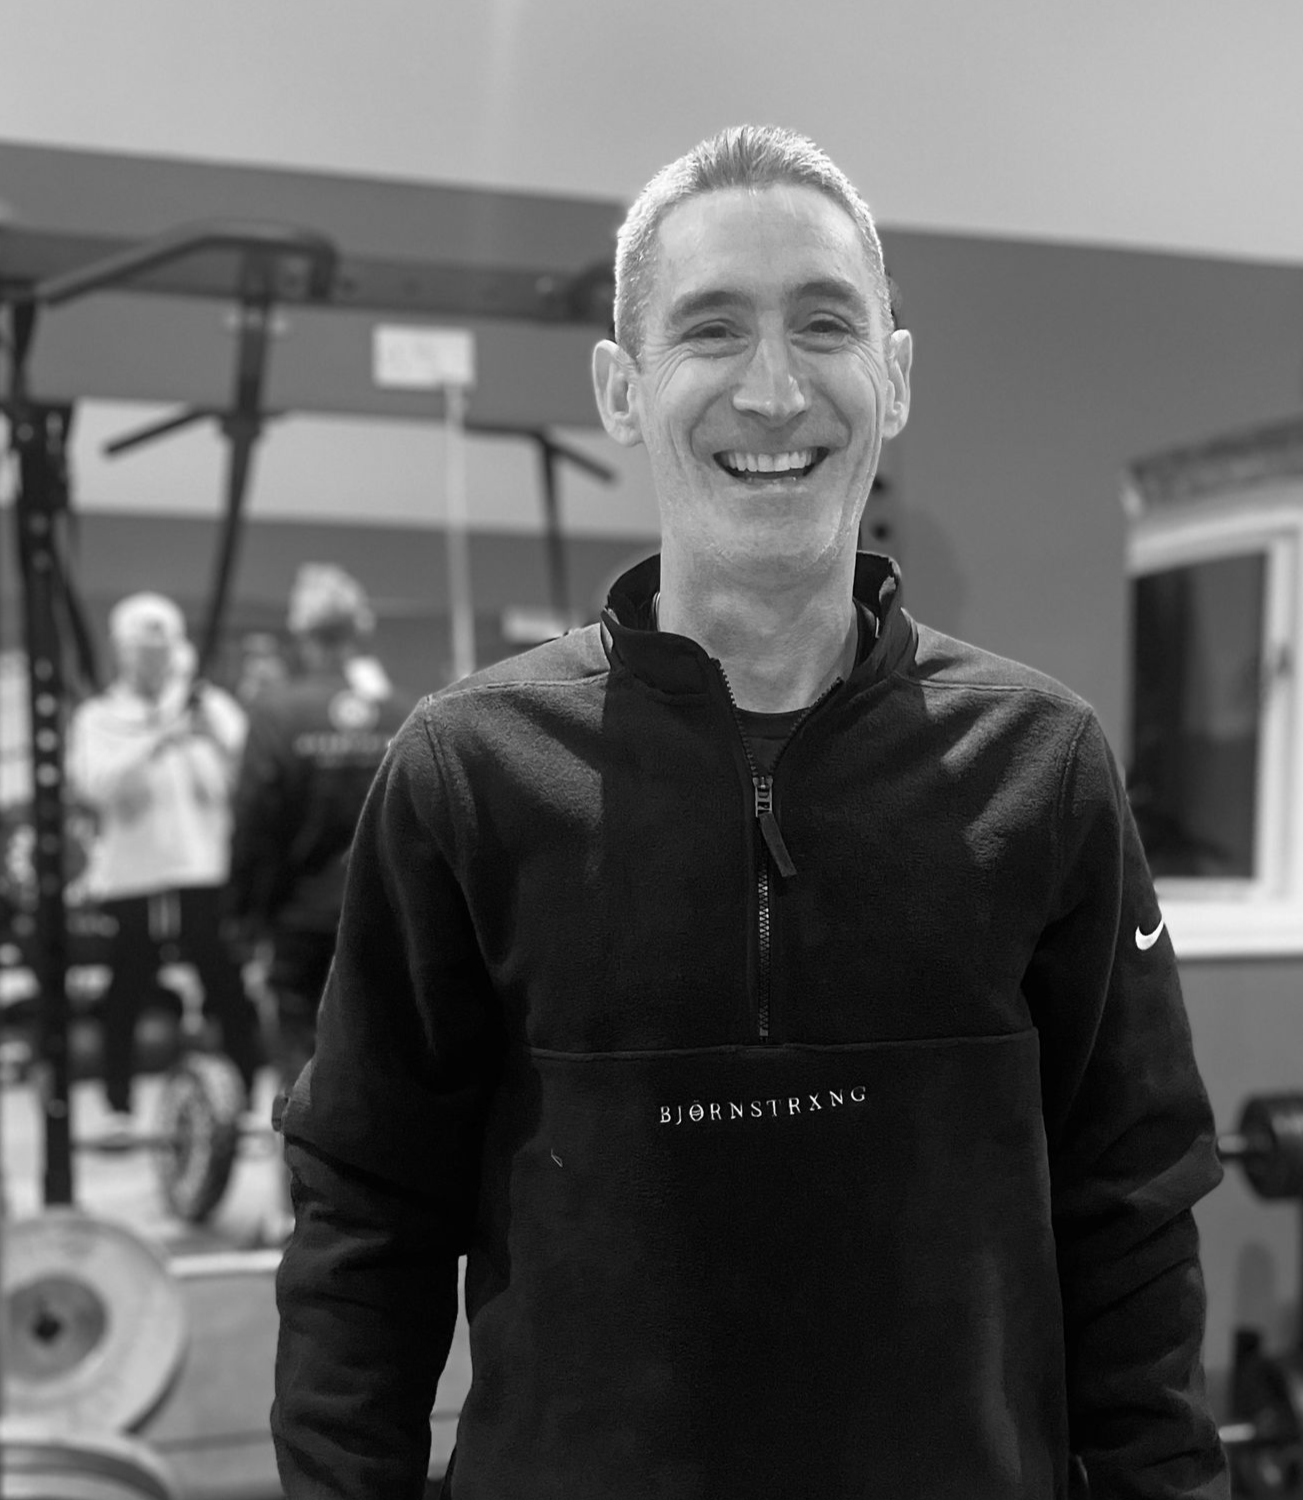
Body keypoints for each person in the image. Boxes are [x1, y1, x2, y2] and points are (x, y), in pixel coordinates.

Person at [272, 125, 1229, 1499]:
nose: (774, 389)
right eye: (712, 331)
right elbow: (368, 1232)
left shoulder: (1046, 766)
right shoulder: (466, 775)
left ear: (892, 377)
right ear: (620, 388)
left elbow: (1132, 1219)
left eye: (824, 325)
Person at [68, 592, 262, 1132]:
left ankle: (247, 1098)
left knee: (223, 980)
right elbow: (94, 786)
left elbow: (249, 770)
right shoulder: (98, 717)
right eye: (140, 650)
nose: (152, 661)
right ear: (121, 652)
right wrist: (158, 737)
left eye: (162, 650)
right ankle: (117, 1106)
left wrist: (203, 726)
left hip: (205, 870)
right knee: (127, 985)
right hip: (133, 878)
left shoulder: (208, 706)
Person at [227, 564, 412, 1101]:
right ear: (359, 630)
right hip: (388, 919)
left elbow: (253, 824)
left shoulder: (276, 715)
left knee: (301, 1067)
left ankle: (304, 1177)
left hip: (301, 922)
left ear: (301, 634)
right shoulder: (404, 713)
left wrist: (243, 917)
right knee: (384, 1060)